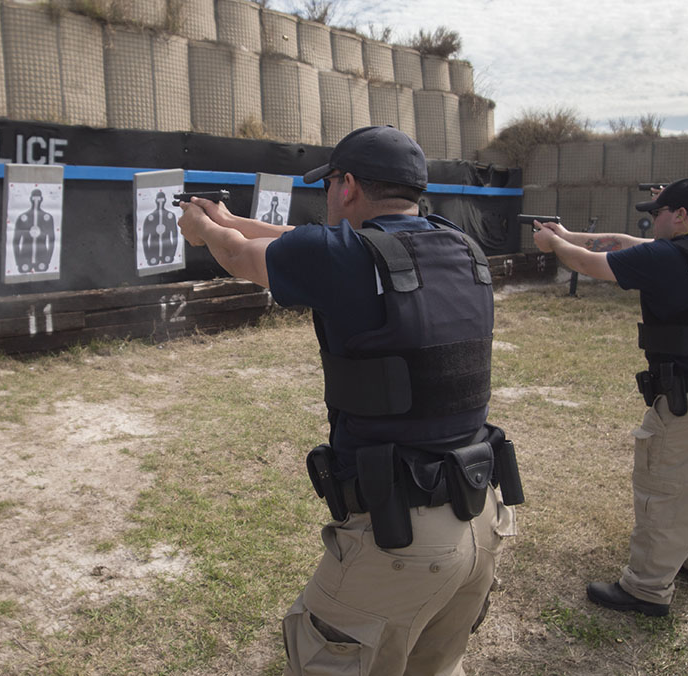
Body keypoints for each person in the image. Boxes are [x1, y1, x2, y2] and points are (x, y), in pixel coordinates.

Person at [178, 125, 517, 676]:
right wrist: (227, 216)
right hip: (478, 513)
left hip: (402, 541)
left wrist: (203, 230)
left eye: (330, 184)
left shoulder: (344, 256)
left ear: (349, 185)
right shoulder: (461, 246)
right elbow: (300, 240)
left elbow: (242, 257)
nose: (327, 195)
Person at [532, 178, 688, 617]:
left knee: (667, 488)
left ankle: (647, 587)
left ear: (679, 215)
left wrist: (555, 247)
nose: (651, 218)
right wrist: (563, 233)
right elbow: (619, 242)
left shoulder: (665, 256)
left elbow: (589, 263)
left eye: (657, 211)